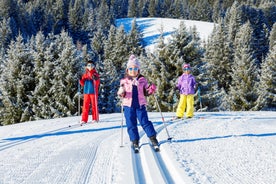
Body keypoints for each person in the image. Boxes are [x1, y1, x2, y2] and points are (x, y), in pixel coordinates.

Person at [117, 54, 159, 151]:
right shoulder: (124, 81)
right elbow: (122, 93)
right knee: (131, 123)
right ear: (127, 70)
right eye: (131, 69)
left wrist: (151, 89)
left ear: (138, 70)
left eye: (135, 69)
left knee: (144, 121)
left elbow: (147, 91)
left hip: (140, 105)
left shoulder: (142, 80)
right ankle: (134, 140)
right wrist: (121, 92)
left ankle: (152, 137)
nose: (133, 71)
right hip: (128, 106)